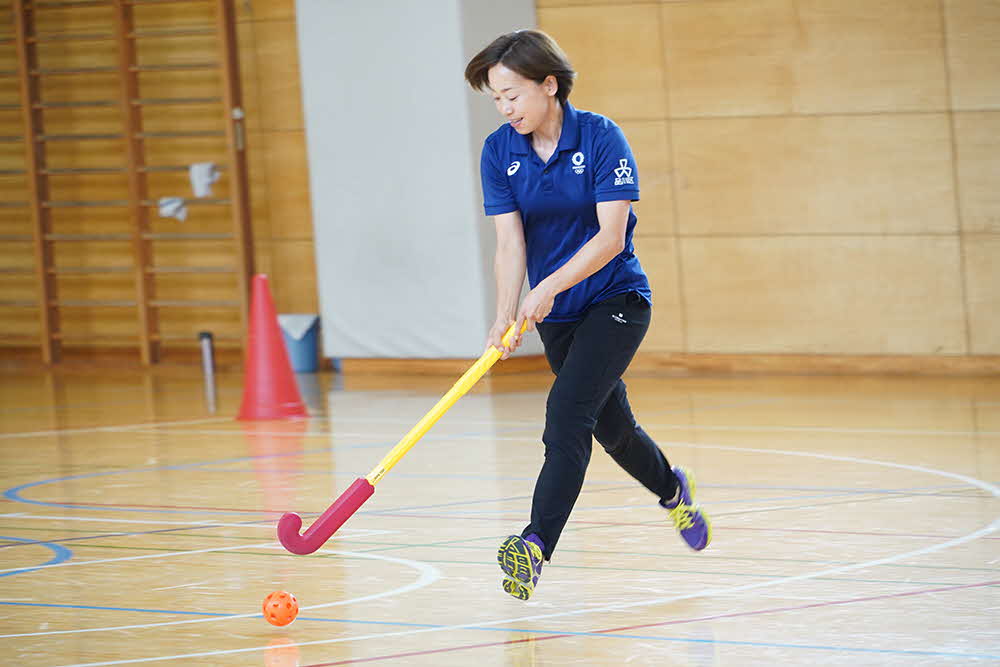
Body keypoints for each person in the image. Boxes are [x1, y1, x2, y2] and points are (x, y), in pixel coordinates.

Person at [464, 29, 712, 601]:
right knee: (615, 431)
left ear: (549, 85)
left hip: (616, 301)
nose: (505, 109)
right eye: (496, 98)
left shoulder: (601, 137)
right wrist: (505, 314)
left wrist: (545, 287)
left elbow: (610, 235)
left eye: (513, 94)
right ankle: (675, 493)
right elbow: (509, 244)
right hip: (558, 316)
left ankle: (534, 546)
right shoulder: (500, 153)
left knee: (567, 417)